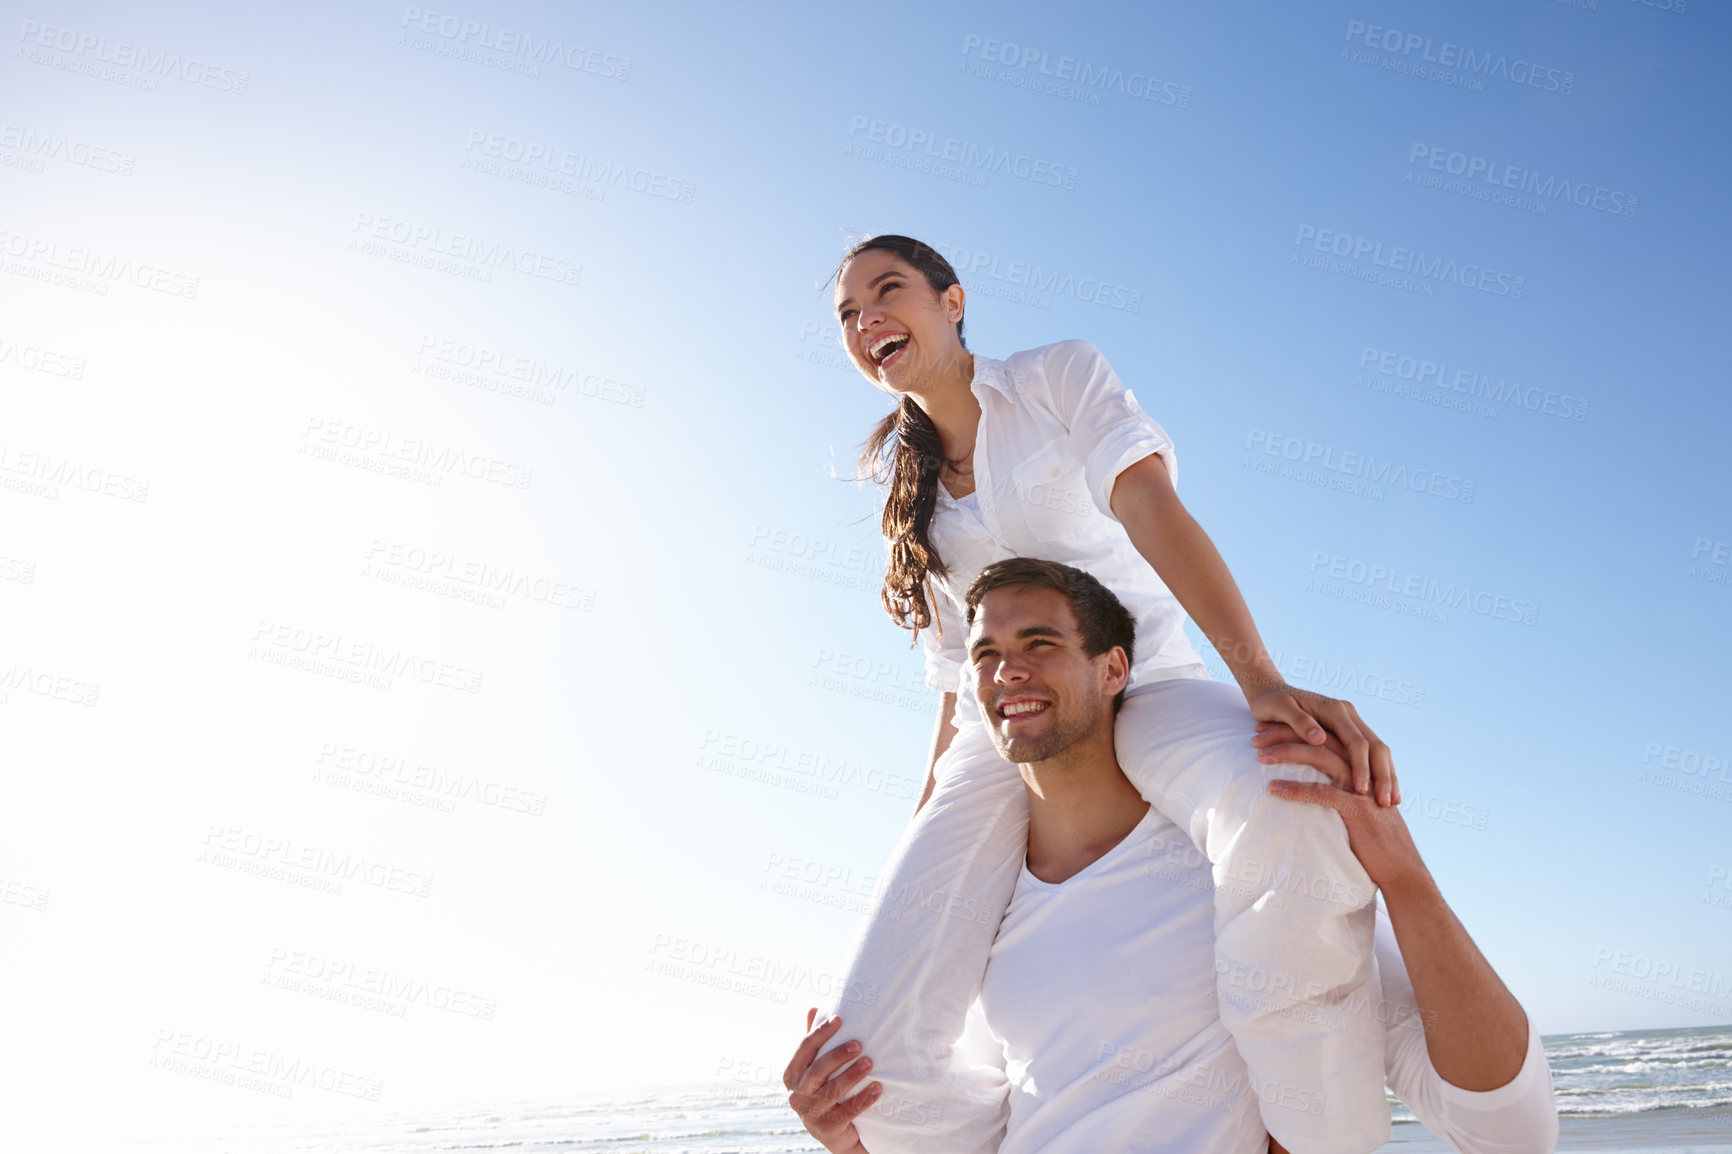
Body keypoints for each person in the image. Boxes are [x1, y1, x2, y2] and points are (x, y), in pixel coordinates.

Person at [813, 235, 1402, 1152]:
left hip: (1148, 686)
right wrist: (926, 835)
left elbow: (1153, 510)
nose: (865, 320)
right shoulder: (908, 485)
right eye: (847, 314)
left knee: (1285, 798)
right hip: (999, 736)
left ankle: (1315, 1131)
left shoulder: (1057, 377)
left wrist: (1261, 679)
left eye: (886, 291)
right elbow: (947, 680)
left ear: (954, 300)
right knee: (864, 1056)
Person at [784, 559, 1559, 1154]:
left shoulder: (1250, 865)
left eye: (1039, 644)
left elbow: (1509, 1129)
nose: (1006, 671)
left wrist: (1407, 882)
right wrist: (863, 1127)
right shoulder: (976, 911)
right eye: (985, 653)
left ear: (1114, 669)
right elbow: (984, 1116)